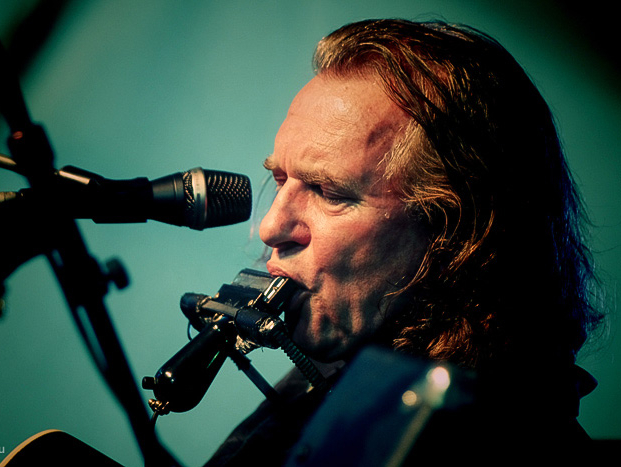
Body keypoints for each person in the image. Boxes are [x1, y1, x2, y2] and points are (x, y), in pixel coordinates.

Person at [204, 18, 605, 466]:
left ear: (457, 233)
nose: (270, 227)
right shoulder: (341, 375)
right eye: (280, 179)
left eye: (329, 192)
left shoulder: (502, 441)